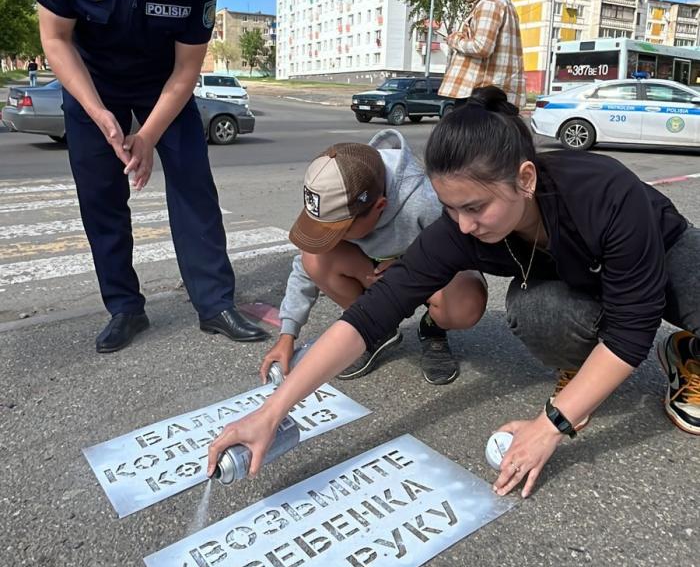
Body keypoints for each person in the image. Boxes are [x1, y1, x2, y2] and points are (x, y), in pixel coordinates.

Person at [208, 87, 700, 497]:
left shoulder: (603, 193)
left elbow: (634, 326)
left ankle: (686, 349)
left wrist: (547, 428)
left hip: (663, 249)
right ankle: (585, 378)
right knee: (535, 310)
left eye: (476, 208)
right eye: (450, 208)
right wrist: (273, 411)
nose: (462, 226)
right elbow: (372, 314)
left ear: (525, 179)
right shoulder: (458, 226)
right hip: (579, 282)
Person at [33, 0, 268, 354]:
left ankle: (214, 304)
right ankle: (124, 308)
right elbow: (55, 40)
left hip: (163, 84)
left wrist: (148, 137)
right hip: (91, 80)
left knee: (193, 187)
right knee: (101, 196)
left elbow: (186, 73)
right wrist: (101, 115)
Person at [259, 130, 486, 386]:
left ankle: (433, 328)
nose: (332, 239)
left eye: (340, 231)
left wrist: (410, 260)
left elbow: (470, 250)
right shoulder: (334, 191)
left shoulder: (425, 201)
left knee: (467, 302)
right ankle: (376, 331)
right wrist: (287, 335)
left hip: (430, 272)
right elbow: (304, 267)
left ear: (379, 207)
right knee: (313, 258)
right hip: (376, 269)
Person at [439, 0, 525, 110]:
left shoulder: (489, 4)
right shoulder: (504, 3)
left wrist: (455, 40)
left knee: (464, 133)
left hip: (480, 97)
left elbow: (481, 47)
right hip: (495, 97)